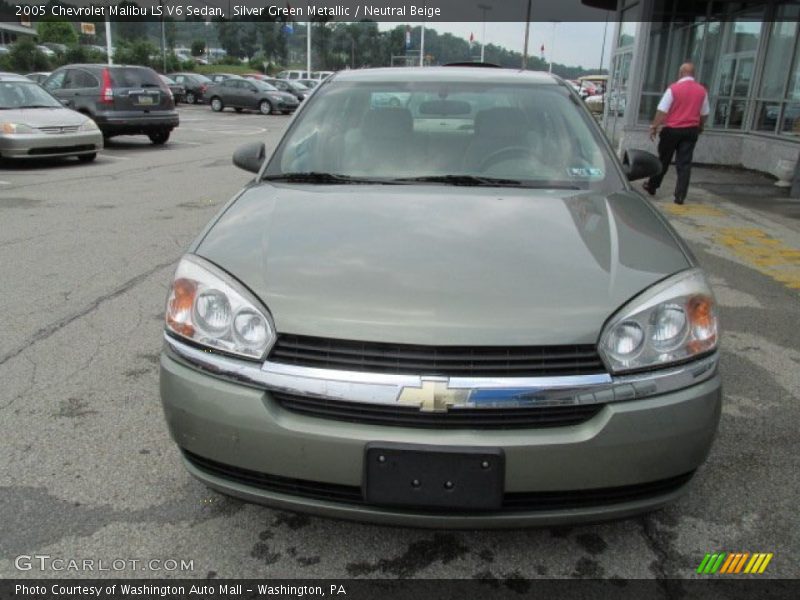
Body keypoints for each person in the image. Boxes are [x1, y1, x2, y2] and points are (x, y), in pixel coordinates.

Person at [642, 62, 710, 205]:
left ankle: (652, 185)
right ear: (693, 74)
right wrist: (700, 125)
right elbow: (704, 113)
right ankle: (680, 195)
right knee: (684, 163)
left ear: (680, 73)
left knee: (663, 160)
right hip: (691, 130)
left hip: (672, 130)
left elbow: (662, 110)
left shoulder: (673, 89)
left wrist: (654, 126)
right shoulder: (701, 91)